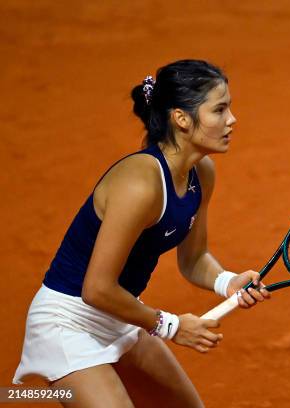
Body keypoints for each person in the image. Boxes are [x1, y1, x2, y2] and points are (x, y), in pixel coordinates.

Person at [13, 59, 269, 407]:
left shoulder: (201, 173)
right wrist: (171, 327)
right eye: (219, 109)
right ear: (181, 118)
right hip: (69, 323)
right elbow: (96, 288)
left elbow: (193, 259)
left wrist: (228, 281)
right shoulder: (140, 184)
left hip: (121, 314)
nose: (232, 120)